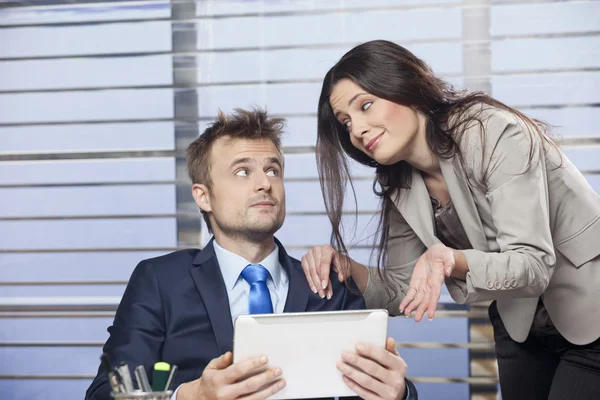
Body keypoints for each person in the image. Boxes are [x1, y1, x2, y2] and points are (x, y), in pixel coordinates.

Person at [300, 40, 600, 400]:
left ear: (405, 88)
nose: (358, 130)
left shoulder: (492, 131)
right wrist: (345, 267)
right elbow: (400, 289)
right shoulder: (400, 180)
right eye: (346, 122)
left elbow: (533, 264)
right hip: (519, 322)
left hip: (590, 307)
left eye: (365, 106)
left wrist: (451, 261)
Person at [85, 108, 417, 400]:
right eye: (243, 171)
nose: (264, 184)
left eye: (273, 170)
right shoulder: (160, 281)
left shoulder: (332, 286)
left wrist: (397, 394)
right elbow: (105, 394)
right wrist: (189, 397)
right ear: (203, 197)